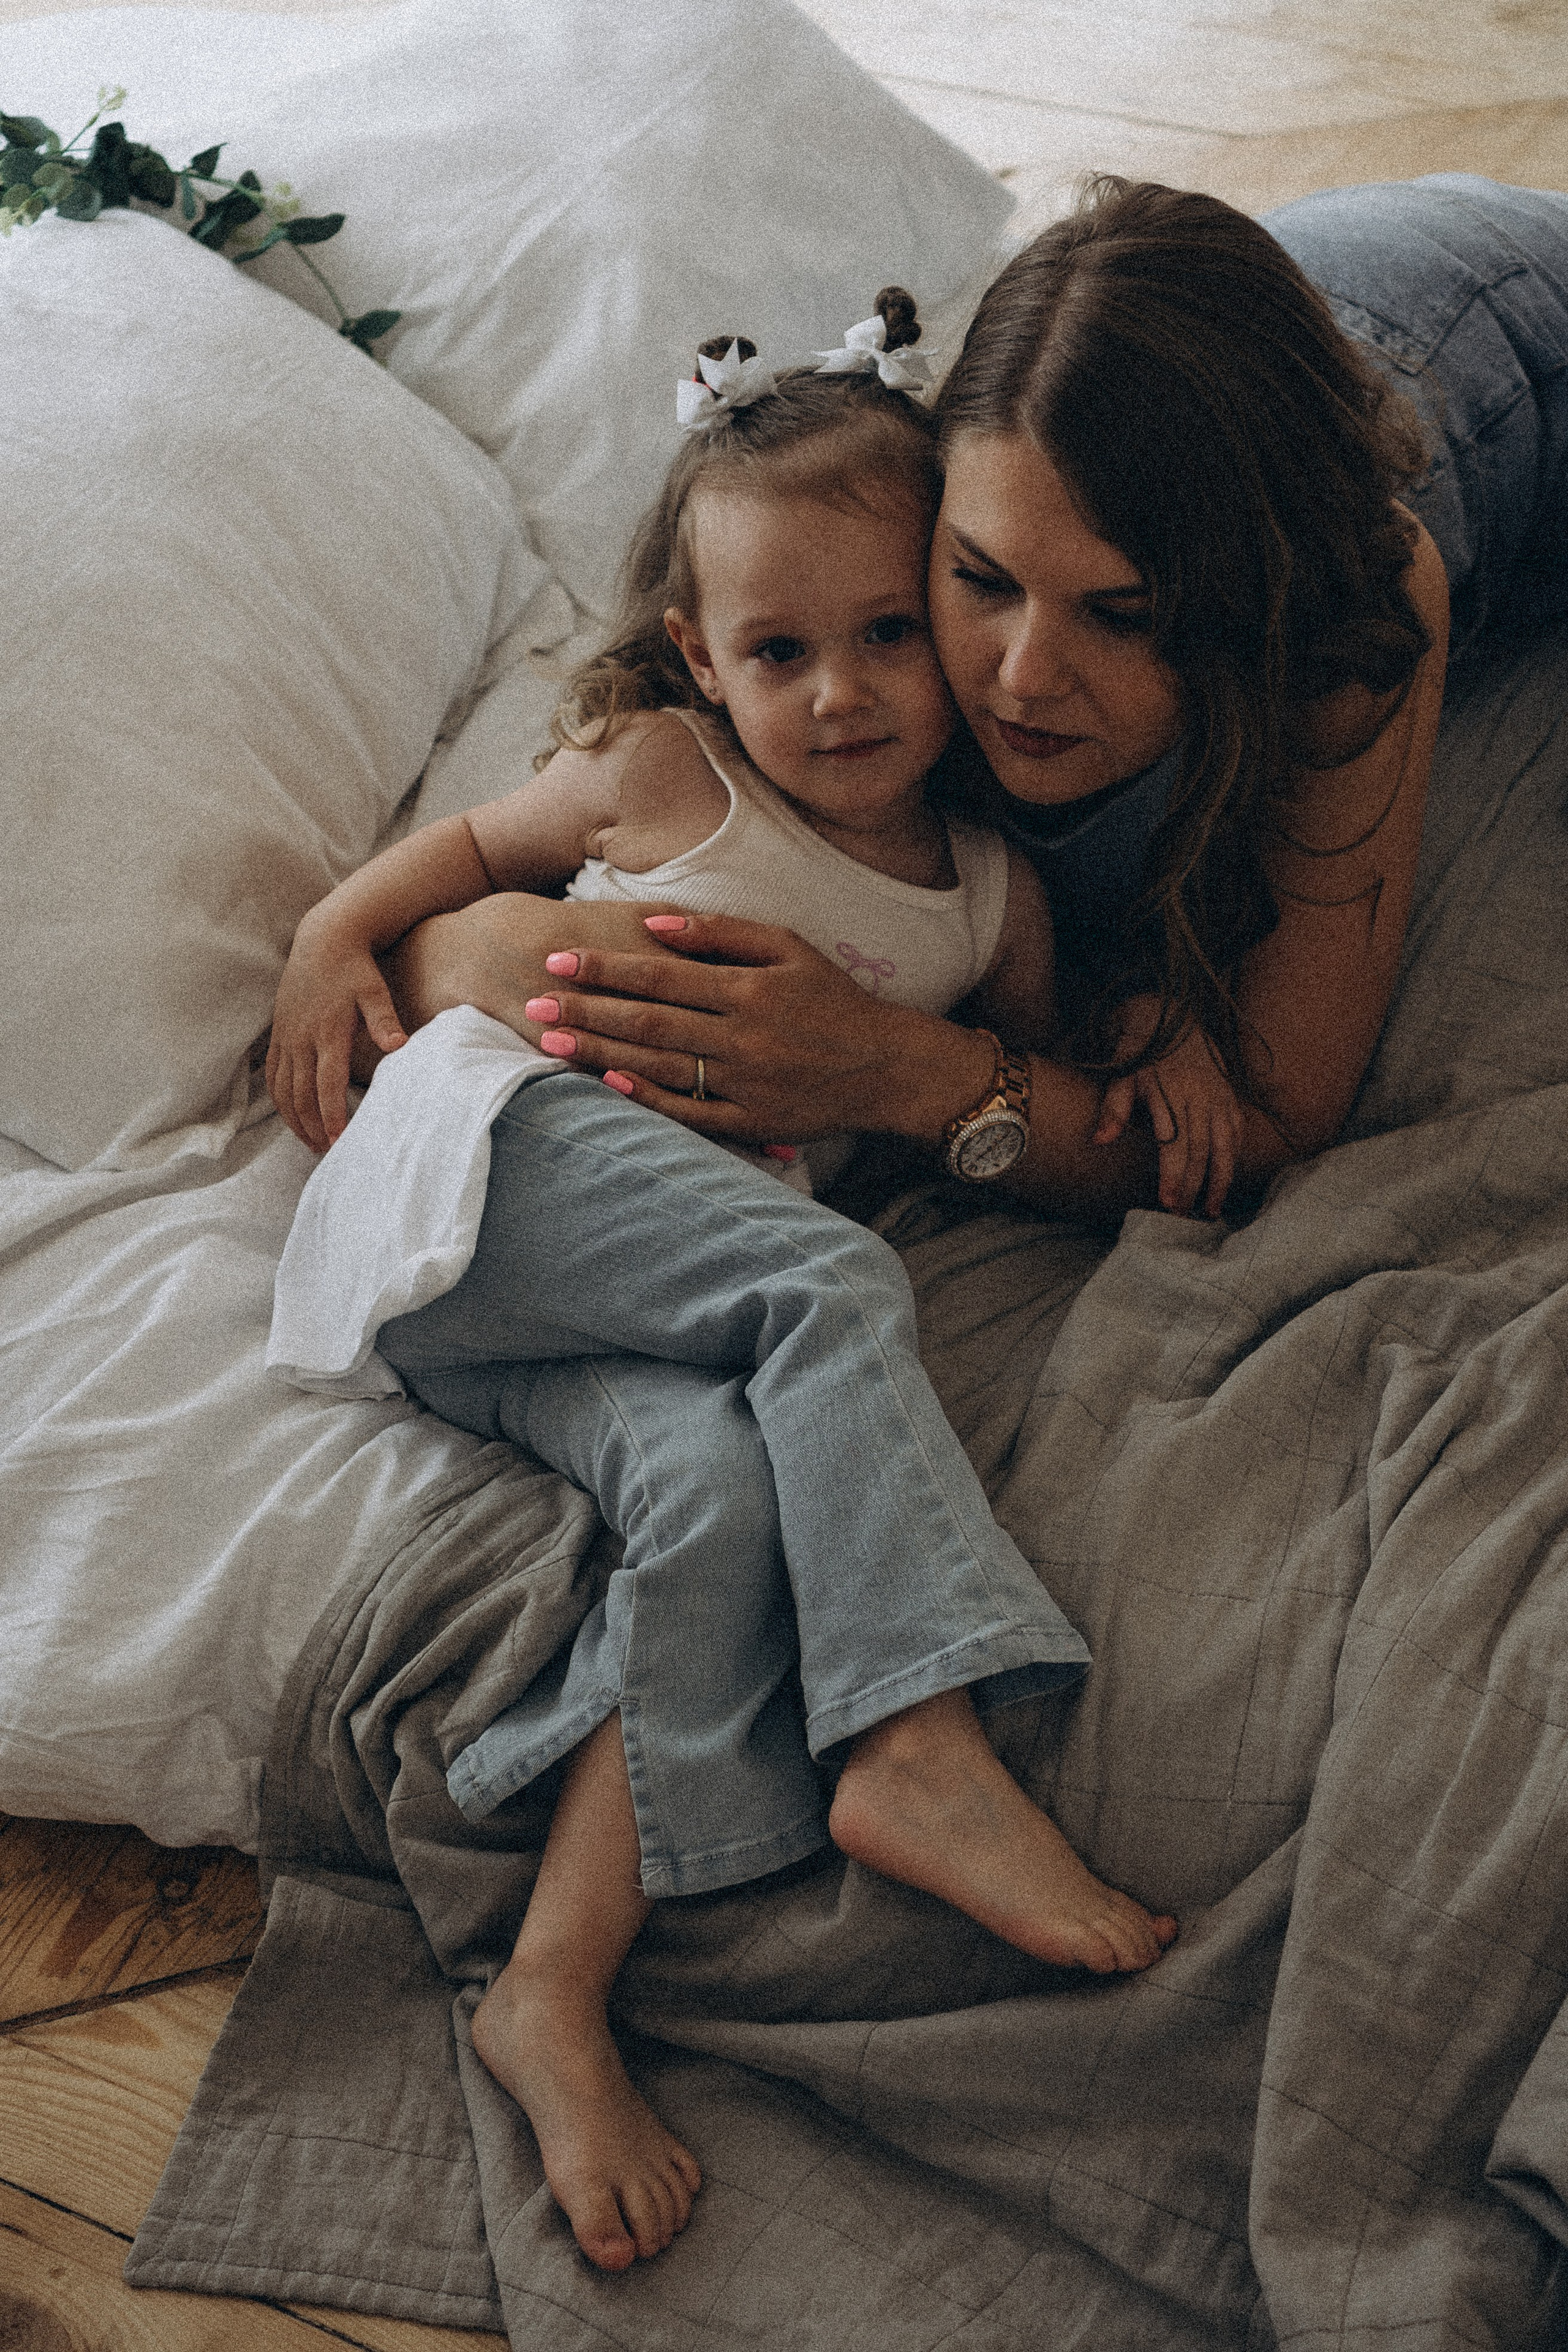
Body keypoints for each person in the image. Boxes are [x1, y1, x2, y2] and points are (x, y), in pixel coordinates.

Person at [265, 297, 1178, 2278]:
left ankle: (555, 1989)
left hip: (594, 1316)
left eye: (880, 638)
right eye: (779, 650)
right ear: (700, 654)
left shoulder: (988, 902)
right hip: (488, 1182)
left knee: (723, 1498)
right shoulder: (669, 776)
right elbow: (452, 858)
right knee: (828, 1291)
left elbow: (1044, 1106)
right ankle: (912, 1736)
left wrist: (1157, 1086)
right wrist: (332, 941)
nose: (840, 698)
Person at [380, 174, 1568, 1226]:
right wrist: (463, 952)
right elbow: (456, 934)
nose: (1018, 677)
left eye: (1121, 612)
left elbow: (1261, 1122)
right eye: (980, 580)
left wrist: (896, 1069)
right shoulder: (877, 568)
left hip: (1512, 335)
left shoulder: (1340, 598)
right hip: (1251, 293)